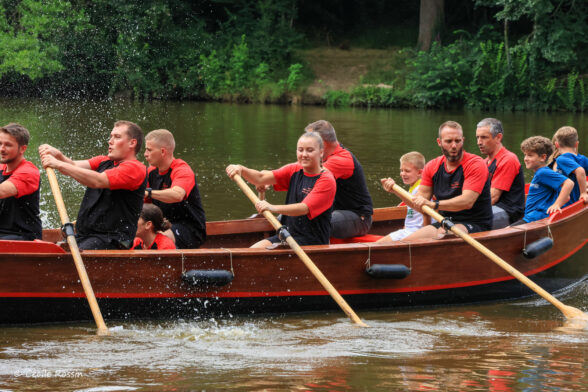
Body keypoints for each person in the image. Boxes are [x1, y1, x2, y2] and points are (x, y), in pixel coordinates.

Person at [39, 120, 147, 250]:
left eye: (117, 137)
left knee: (62, 258)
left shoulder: (135, 168)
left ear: (132, 143)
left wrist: (58, 163)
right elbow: (72, 166)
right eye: (111, 136)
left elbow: (98, 181)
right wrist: (58, 155)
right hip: (88, 236)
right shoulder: (104, 161)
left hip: (113, 240)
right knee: (55, 251)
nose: (110, 141)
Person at [226, 132, 336, 248]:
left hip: (312, 242)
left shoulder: (326, 180)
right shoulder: (294, 169)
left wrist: (271, 207)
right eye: (300, 150)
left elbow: (304, 208)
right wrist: (241, 169)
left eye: (309, 150)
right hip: (286, 235)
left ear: (321, 152)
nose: (304, 154)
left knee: (255, 255)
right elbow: (261, 178)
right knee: (252, 251)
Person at [405, 121, 493, 240]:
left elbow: (467, 202)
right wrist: (396, 191)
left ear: (463, 140)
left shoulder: (475, 164)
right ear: (439, 142)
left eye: (457, 141)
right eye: (448, 141)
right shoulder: (432, 166)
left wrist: (434, 204)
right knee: (406, 243)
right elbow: (419, 203)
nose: (454, 146)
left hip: (475, 223)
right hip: (444, 221)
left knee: (444, 235)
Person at [304, 120, 373, 239]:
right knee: (285, 218)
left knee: (313, 222)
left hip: (358, 218)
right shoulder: (326, 156)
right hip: (335, 213)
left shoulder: (341, 159)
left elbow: (305, 176)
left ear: (323, 144)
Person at [143, 129, 206, 249]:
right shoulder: (150, 173)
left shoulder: (182, 170)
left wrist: (149, 193)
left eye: (149, 150)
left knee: (157, 239)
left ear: (162, 151)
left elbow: (177, 195)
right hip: (164, 224)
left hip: (190, 229)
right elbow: (144, 207)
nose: (145, 154)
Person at [511, 136, 574, 225]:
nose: (525, 158)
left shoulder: (543, 173)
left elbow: (569, 183)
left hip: (534, 218)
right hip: (532, 217)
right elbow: (567, 197)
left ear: (543, 157)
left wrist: (556, 205)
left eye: (530, 155)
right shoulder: (542, 173)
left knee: (503, 233)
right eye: (525, 154)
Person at [475, 118, 525, 228]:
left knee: (466, 220)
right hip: (491, 208)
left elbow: (492, 198)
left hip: (508, 212)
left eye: (484, 137)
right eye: (477, 137)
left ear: (498, 137)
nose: (479, 142)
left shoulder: (508, 159)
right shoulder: (483, 163)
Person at [0, 123, 42, 241]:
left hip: (23, 236)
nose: (1, 149)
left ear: (22, 149)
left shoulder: (28, 172)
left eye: (8, 145)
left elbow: (2, 191)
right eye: (0, 144)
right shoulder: (1, 168)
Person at [377, 152, 427, 242]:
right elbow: (411, 215)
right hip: (408, 230)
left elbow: (414, 203)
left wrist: (396, 190)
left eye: (407, 171)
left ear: (419, 172)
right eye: (401, 170)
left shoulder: (422, 187)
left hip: (417, 232)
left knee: (378, 245)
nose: (402, 174)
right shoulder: (413, 187)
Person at [550, 126, 588, 206]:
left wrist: (583, 193)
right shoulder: (583, 159)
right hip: (577, 203)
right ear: (576, 144)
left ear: (556, 145)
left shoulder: (560, 159)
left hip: (565, 205)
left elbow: (580, 171)